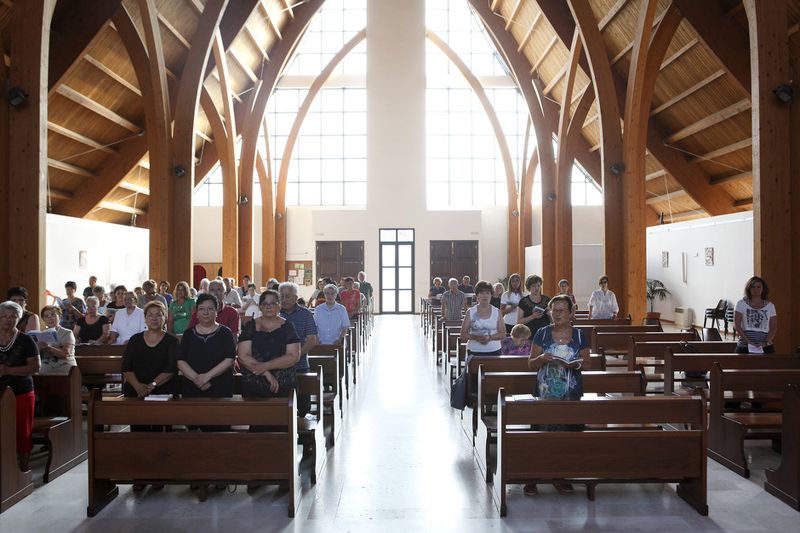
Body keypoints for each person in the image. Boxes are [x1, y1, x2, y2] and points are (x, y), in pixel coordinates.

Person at [525, 295, 590, 495]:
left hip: (571, 395)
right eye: (554, 310)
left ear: (571, 313)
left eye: (562, 310)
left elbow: (588, 363)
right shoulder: (542, 334)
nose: (557, 314)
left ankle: (560, 476)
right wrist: (542, 358)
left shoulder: (579, 336)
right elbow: (530, 363)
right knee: (540, 436)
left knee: (567, 437)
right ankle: (533, 477)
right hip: (544, 394)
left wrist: (573, 364)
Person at [176, 293, 236, 500]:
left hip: (219, 387)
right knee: (195, 431)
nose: (206, 312)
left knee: (219, 430)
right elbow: (180, 360)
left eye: (210, 308)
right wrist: (196, 379)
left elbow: (230, 359)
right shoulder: (189, 334)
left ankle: (220, 474)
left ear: (217, 310)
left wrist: (207, 376)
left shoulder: (225, 333)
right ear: (196, 311)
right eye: (202, 308)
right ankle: (196, 473)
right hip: (193, 388)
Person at [236, 290, 301, 402]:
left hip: (283, 384)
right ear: (260, 307)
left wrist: (266, 366)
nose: (268, 307)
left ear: (279, 306)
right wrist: (266, 373)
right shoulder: (250, 326)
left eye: (273, 303)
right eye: (265, 304)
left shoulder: (288, 327)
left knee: (282, 418)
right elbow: (242, 356)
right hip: (254, 384)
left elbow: (293, 356)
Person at [0, 300, 41, 471]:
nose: (8, 320)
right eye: (4, 316)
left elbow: (35, 367)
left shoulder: (26, 340)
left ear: (19, 319)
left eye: (13, 317)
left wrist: (9, 370)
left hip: (21, 392)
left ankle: (23, 470)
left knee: (22, 431)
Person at [279, 281, 318, 376]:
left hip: (300, 365)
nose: (284, 299)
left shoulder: (306, 314)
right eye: (281, 296)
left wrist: (295, 356)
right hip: (276, 366)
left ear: (296, 298)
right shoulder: (274, 313)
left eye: (287, 296)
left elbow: (312, 340)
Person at [460, 281, 505, 357]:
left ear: (491, 295)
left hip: (494, 351)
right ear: (477, 295)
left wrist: (490, 337)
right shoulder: (470, 312)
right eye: (481, 293)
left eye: (487, 293)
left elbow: (503, 334)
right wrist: (476, 337)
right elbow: (463, 333)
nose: (485, 296)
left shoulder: (497, 311)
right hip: (474, 351)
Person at [734, 276, 777, 354]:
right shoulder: (741, 304)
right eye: (753, 287)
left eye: (758, 287)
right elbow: (737, 325)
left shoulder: (770, 306)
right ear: (749, 289)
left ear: (763, 289)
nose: (756, 289)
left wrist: (765, 343)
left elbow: (773, 328)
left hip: (765, 346)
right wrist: (748, 342)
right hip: (744, 346)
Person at [35, 305, 76, 373]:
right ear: (43, 319)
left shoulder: (67, 332)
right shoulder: (41, 334)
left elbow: (65, 354)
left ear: (59, 316)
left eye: (53, 315)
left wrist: (47, 347)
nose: (50, 318)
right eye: (46, 316)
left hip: (64, 367)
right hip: (44, 369)